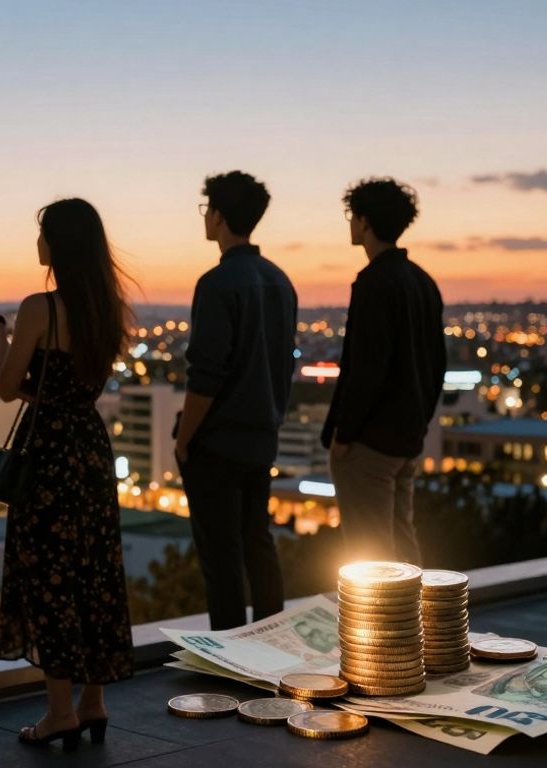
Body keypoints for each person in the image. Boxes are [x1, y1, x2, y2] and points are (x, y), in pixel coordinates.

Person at [0, 198, 134, 752]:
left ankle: (58, 713)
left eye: (42, 233)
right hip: (90, 447)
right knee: (93, 570)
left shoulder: (38, 308)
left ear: (56, 244)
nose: (37, 243)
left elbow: (8, 388)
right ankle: (92, 702)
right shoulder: (107, 308)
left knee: (47, 571)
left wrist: (3, 342)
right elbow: (76, 386)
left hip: (47, 451)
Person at [175, 171, 296, 631]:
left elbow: (205, 376)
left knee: (221, 557)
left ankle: (230, 658)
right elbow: (283, 366)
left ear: (219, 216)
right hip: (261, 437)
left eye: (207, 209)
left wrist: (184, 439)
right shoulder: (280, 282)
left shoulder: (217, 283)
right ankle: (272, 647)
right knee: (258, 544)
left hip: (218, 443)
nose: (205, 217)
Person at [323, 177, 444, 564]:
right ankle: (418, 620)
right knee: (403, 538)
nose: (350, 223)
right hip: (407, 437)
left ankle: (381, 625)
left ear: (364, 221)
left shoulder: (374, 282)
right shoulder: (423, 282)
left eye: (352, 215)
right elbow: (436, 364)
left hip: (370, 442)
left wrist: (345, 434)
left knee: (368, 550)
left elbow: (365, 367)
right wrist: (420, 422)